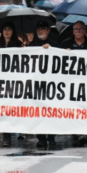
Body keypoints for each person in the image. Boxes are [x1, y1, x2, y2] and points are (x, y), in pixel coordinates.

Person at [61, 21, 87, 147]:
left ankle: (84, 131)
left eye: (81, 29)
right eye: (76, 29)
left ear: (85, 30)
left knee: (85, 106)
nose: (78, 31)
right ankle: (76, 131)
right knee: (73, 107)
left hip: (86, 82)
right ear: (72, 31)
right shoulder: (65, 44)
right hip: (70, 82)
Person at [0, 22, 23, 146]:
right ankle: (6, 137)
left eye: (9, 29)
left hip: (15, 82)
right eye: (4, 29)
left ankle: (20, 130)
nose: (7, 31)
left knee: (16, 108)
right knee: (5, 110)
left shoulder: (19, 45)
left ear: (13, 31)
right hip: (2, 82)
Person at [30, 21, 59, 149]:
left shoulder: (55, 45)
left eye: (43, 29)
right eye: (38, 29)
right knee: (38, 112)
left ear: (48, 30)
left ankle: (51, 138)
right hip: (36, 84)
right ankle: (41, 138)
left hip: (51, 84)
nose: (40, 31)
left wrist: (52, 50)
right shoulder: (32, 45)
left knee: (50, 112)